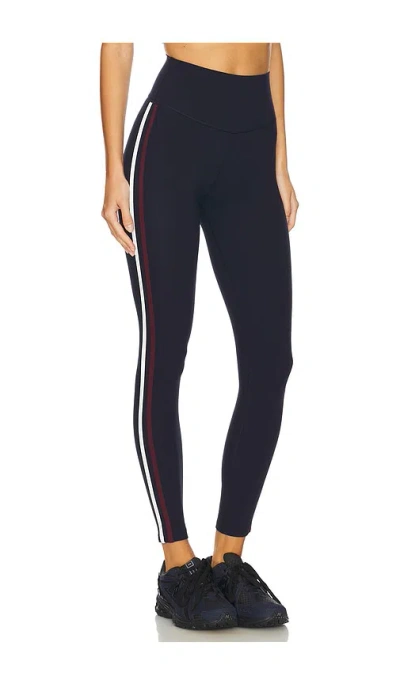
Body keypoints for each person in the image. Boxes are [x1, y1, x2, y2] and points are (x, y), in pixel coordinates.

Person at [100, 42, 299, 630]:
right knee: (165, 354)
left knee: (270, 361)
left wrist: (280, 158)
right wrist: (113, 169)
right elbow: (116, 41)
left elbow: (272, 42)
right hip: (172, 137)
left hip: (253, 137)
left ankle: (227, 559)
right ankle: (177, 564)